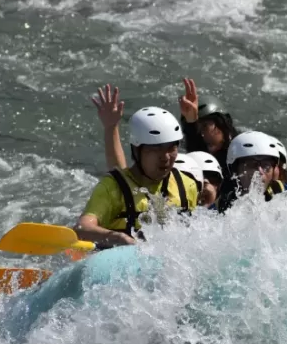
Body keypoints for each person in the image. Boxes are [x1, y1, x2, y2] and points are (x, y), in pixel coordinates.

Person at [75, 102, 198, 247]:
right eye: (155, 148)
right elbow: (81, 229)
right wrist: (116, 237)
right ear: (136, 150)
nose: (165, 157)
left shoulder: (186, 185)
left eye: (171, 148)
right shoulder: (111, 188)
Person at [216, 131, 287, 213]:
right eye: (251, 164)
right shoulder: (221, 207)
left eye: (266, 165)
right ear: (235, 170)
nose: (259, 171)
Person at [178, 78, 239, 176]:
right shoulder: (199, 151)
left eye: (205, 126)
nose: (201, 135)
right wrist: (191, 122)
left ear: (223, 123)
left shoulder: (243, 154)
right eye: (198, 130)